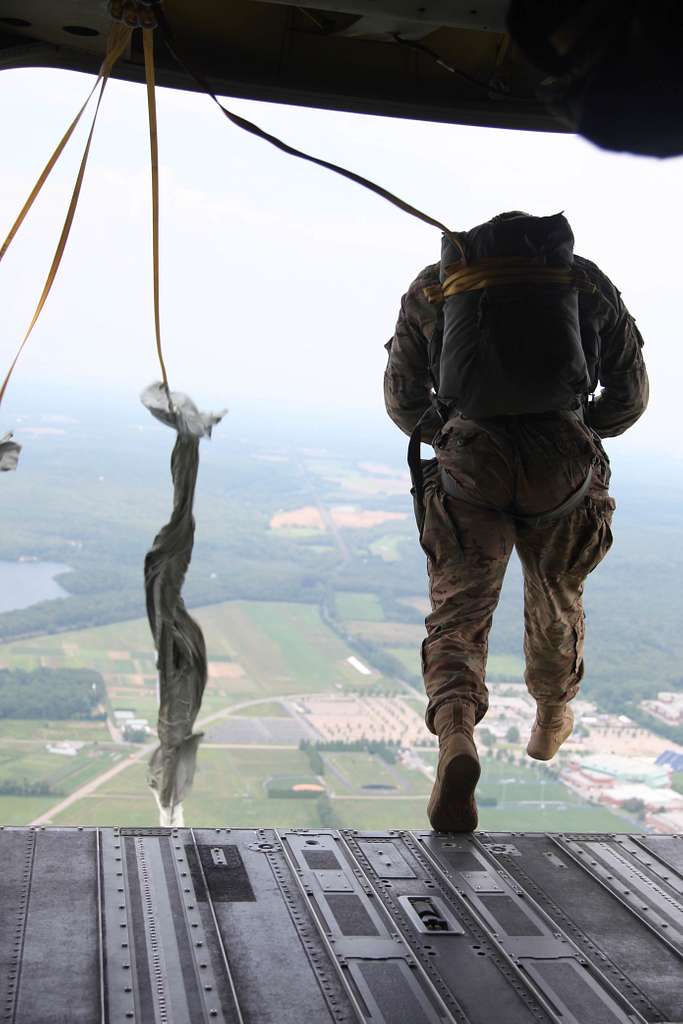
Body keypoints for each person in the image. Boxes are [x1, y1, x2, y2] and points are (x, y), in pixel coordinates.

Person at [384, 211, 649, 832]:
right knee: (555, 597)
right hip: (561, 459)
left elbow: (402, 397)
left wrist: (450, 434)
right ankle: (552, 711)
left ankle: (455, 734)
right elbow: (630, 396)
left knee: (459, 614)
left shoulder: (437, 285)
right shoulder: (583, 283)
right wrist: (579, 431)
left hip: (471, 459)